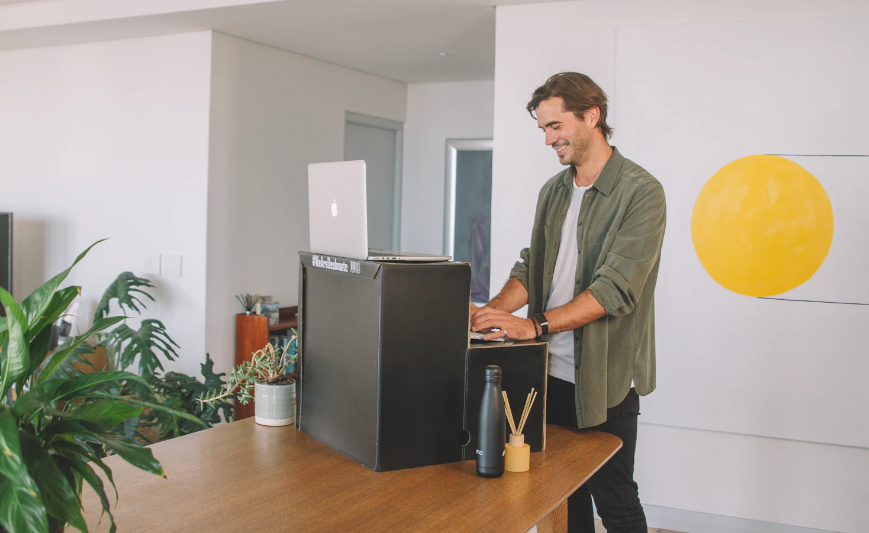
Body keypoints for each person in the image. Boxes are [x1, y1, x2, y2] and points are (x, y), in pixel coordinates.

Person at [470, 72, 666, 533]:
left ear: (592, 116)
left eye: (555, 126)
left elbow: (614, 288)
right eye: (543, 129)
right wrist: (493, 313)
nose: (548, 139)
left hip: (604, 377)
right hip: (546, 371)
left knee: (613, 496)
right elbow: (531, 266)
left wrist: (532, 325)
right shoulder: (554, 192)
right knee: (557, 493)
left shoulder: (641, 192)